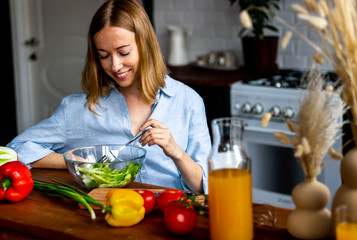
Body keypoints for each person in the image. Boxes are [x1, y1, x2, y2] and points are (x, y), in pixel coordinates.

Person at [7, 0, 211, 193]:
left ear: (145, 45)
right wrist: (79, 162)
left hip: (173, 217)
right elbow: (17, 149)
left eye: (123, 52)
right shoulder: (78, 109)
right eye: (104, 55)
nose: (114, 66)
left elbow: (203, 187)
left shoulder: (188, 101)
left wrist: (176, 152)